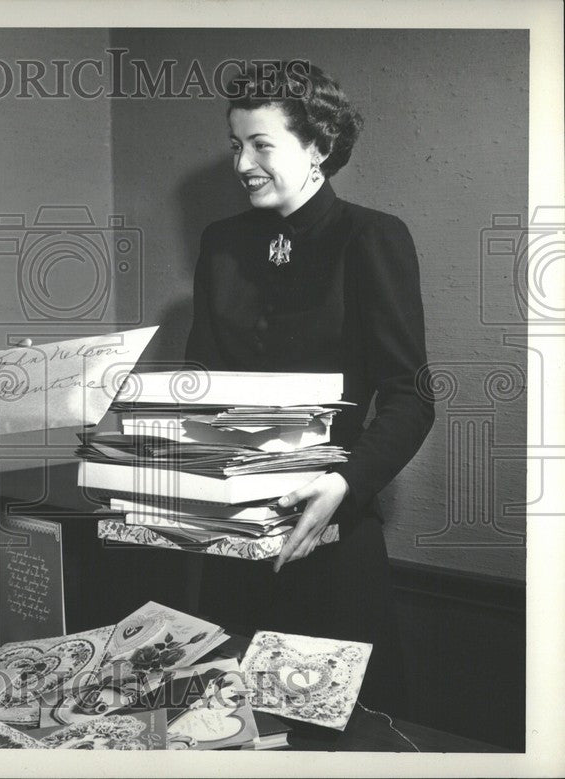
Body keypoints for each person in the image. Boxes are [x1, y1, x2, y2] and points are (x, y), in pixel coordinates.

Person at [184, 64, 435, 715]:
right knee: (227, 727)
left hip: (330, 536)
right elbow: (199, 384)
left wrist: (346, 484)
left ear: (319, 146)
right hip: (232, 537)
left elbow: (411, 395)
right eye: (236, 144)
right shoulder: (221, 244)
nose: (242, 162)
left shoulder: (372, 238)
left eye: (261, 144)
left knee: (334, 732)